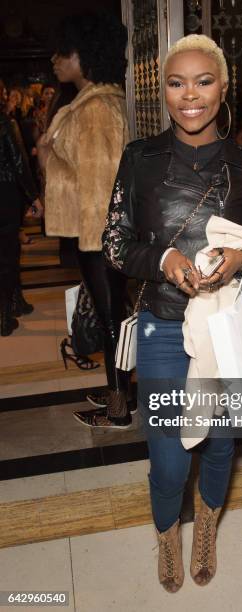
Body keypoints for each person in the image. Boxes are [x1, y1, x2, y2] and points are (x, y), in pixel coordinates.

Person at [102, 34, 242, 592]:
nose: (189, 95)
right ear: (164, 91)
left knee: (220, 443)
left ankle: (207, 529)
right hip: (162, 326)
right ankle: (168, 534)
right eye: (177, 82)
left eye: (203, 81)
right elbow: (114, 243)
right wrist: (165, 258)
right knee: (170, 456)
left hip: (228, 326)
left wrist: (241, 256)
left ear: (224, 89)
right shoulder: (140, 160)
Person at [40, 11, 133, 428]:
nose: (56, 60)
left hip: (98, 233)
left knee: (112, 319)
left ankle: (118, 410)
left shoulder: (95, 109)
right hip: (97, 232)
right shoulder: (94, 102)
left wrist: (47, 157)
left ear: (87, 55)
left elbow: (100, 182)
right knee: (113, 315)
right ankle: (119, 388)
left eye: (66, 52)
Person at [0, 110, 43, 335]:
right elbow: (18, 162)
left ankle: (16, 300)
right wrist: (33, 196)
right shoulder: (5, 122)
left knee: (9, 252)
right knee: (7, 254)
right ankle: (4, 315)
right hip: (5, 193)